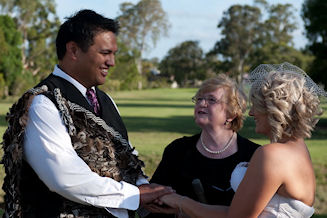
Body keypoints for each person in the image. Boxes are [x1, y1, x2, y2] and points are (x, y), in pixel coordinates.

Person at [1, 9, 173, 218]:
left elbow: (127, 160)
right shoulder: (42, 103)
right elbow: (64, 176)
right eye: (105, 53)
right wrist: (135, 195)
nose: (112, 62)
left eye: (113, 53)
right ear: (73, 50)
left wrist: (149, 193)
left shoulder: (106, 101)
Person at [159, 62, 326, 217]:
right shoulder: (300, 149)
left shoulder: (271, 155)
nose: (251, 112)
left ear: (273, 109)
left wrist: (181, 202)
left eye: (256, 105)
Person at [147, 74, 260, 217]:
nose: (201, 103)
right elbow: (156, 198)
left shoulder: (253, 154)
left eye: (211, 100)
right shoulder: (177, 150)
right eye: (199, 99)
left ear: (231, 113)